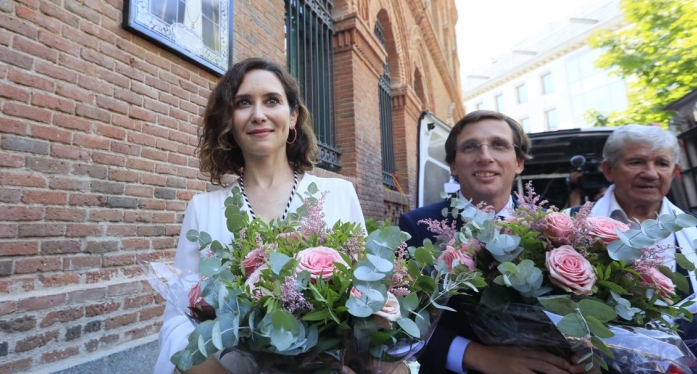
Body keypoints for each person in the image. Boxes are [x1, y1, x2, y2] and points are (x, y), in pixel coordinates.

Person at [154, 58, 365, 374]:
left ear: (292, 116)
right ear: (230, 120)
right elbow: (178, 321)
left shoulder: (338, 197)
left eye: (271, 100)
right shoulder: (203, 209)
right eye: (243, 103)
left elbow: (365, 305)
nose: (258, 114)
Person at [399, 110, 598, 374]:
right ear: (454, 165)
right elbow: (399, 318)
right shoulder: (418, 226)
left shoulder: (557, 229)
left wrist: (588, 355)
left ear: (519, 162)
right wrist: (478, 356)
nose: (485, 156)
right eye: (470, 146)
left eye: (499, 145)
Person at [573, 124, 697, 351]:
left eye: (662, 163)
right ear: (608, 170)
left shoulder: (693, 232)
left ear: (674, 171)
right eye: (636, 162)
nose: (650, 173)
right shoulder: (569, 227)